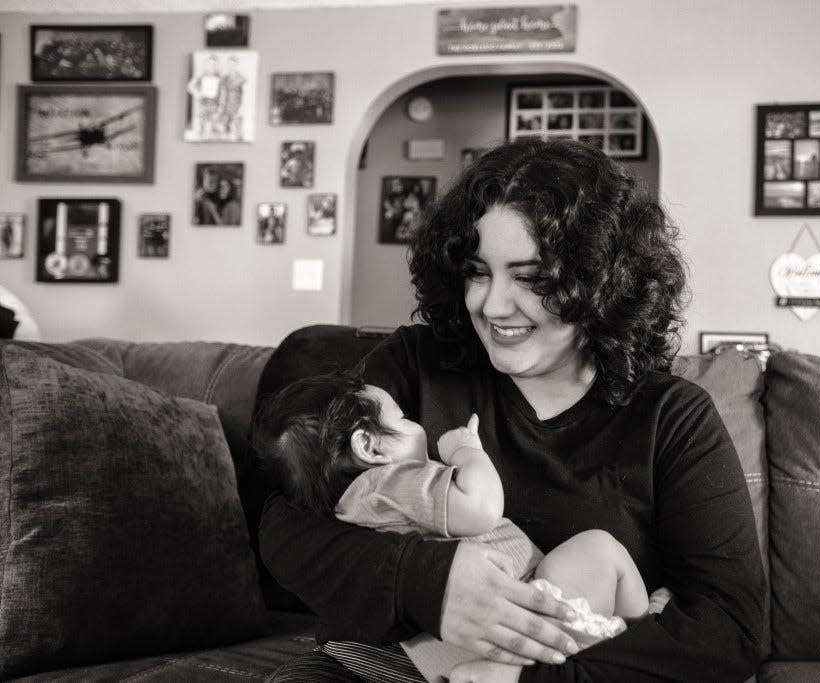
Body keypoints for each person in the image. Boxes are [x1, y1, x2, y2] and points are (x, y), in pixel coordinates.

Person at [260, 138, 764, 682]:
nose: (493, 305)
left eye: (530, 278)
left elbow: (728, 630)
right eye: (478, 272)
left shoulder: (672, 417)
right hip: (377, 666)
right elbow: (285, 530)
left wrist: (526, 681)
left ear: (600, 283)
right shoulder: (415, 364)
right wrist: (430, 585)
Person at [251, 370, 659, 682]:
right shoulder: (393, 483)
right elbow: (480, 507)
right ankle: (644, 626)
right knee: (599, 549)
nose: (416, 425)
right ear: (370, 447)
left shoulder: (353, 506)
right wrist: (467, 453)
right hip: (520, 602)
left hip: (441, 650)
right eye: (404, 418)